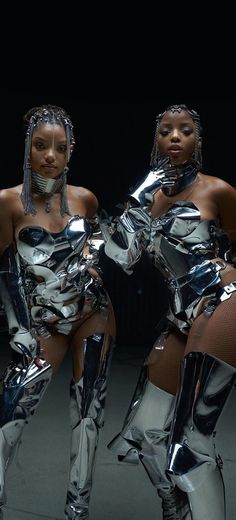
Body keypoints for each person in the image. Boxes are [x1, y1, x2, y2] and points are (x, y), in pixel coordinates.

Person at [103, 104, 236, 519]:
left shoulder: (218, 190)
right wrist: (140, 195)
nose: (174, 137)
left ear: (198, 141)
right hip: (181, 317)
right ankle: (174, 506)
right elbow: (121, 255)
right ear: (156, 140)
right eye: (165, 131)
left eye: (185, 131)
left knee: (190, 445)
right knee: (141, 433)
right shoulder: (147, 199)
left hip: (221, 301)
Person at [0, 104, 116, 520]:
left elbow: (103, 247)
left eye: (61, 148)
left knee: (89, 411)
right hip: (44, 319)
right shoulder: (8, 202)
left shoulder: (84, 199)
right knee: (12, 406)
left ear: (70, 154)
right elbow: (4, 268)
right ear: (27, 149)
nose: (50, 155)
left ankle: (77, 509)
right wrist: (18, 326)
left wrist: (97, 251)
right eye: (41, 146)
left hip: (93, 312)